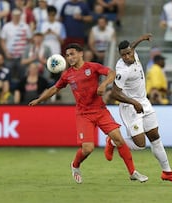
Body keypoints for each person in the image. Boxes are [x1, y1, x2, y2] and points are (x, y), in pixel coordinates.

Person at [28, 43, 148, 184]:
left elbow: (112, 73)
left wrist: (103, 85)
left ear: (81, 53)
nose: (70, 57)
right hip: (84, 114)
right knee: (88, 148)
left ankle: (132, 172)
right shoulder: (67, 75)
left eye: (72, 54)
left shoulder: (93, 67)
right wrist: (39, 100)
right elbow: (54, 89)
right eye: (67, 55)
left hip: (100, 111)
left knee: (119, 140)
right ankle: (75, 165)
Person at [106, 33, 172, 186]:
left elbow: (132, 46)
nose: (128, 56)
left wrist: (141, 39)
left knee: (155, 137)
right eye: (124, 55)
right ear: (120, 56)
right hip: (130, 107)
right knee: (140, 145)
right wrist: (133, 102)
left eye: (129, 53)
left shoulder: (132, 53)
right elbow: (115, 93)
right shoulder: (122, 71)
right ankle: (113, 141)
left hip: (144, 102)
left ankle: (167, 172)